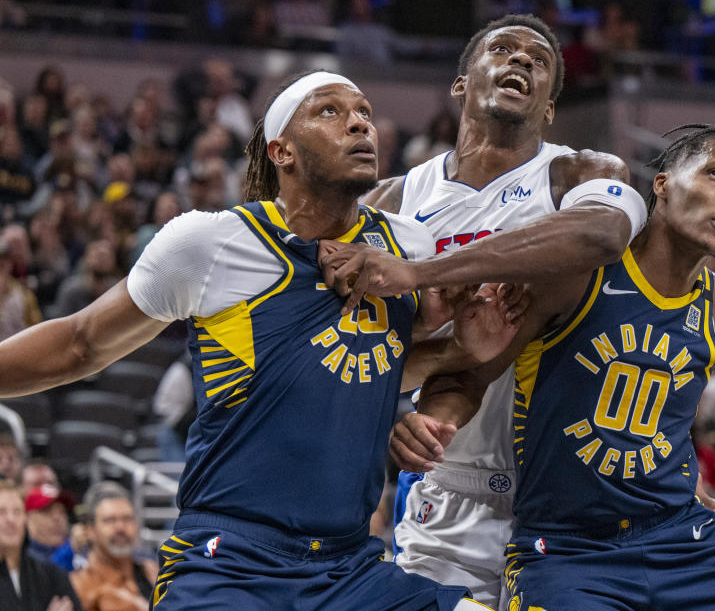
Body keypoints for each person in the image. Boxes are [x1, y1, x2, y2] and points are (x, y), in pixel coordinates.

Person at [0, 70, 498, 610]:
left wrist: (460, 349)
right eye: (329, 111)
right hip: (231, 560)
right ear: (281, 151)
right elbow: (80, 342)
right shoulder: (209, 242)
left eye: (364, 112)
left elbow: (371, 363)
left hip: (351, 567)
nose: (359, 122)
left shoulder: (406, 245)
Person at [390, 125, 715, 609]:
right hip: (568, 548)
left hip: (679, 538)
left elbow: (663, 413)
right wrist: (436, 421)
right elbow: (472, 371)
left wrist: (691, 475)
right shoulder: (578, 274)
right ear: (663, 183)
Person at [330, 13, 649, 607]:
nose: (522, 60)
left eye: (540, 60)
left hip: (571, 494)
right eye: (503, 49)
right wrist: (397, 410)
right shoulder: (390, 202)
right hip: (447, 483)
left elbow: (604, 234)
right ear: (461, 83)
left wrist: (423, 271)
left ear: (550, 107)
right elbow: (348, 355)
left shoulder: (580, 173)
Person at [69, 482, 157, 611]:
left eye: (127, 519)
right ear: (90, 530)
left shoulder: (152, 570)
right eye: (110, 520)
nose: (120, 527)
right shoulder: (81, 586)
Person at [0, 480, 80, 611]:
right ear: (31, 518)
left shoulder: (52, 573)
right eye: (1, 512)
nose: (11, 520)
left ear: (25, 518)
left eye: (17, 511)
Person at [23, 486, 72, 564]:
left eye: (62, 511)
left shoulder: (80, 552)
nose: (57, 518)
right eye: (47, 511)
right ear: (27, 519)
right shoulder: (20, 561)